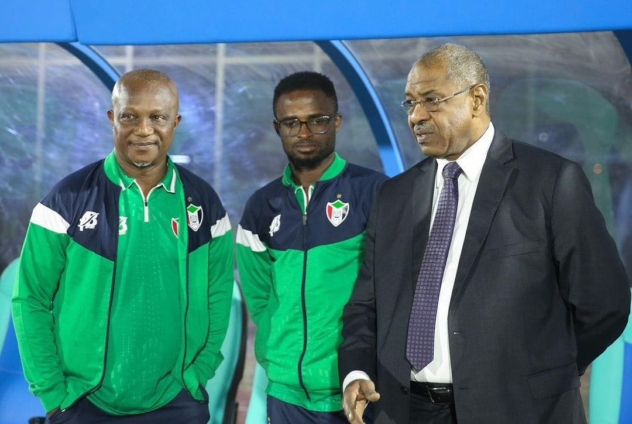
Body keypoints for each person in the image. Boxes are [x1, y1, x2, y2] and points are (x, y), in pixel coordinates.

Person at [338, 43, 631, 424]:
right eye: (410, 103)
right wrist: (357, 371)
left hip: (521, 411)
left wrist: (546, 370)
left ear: (477, 98)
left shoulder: (551, 182)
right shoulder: (394, 196)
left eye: (431, 100)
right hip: (405, 410)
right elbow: (366, 305)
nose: (416, 116)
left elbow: (604, 303)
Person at [12, 69, 234, 424]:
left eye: (157, 117)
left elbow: (218, 294)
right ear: (112, 118)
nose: (144, 130)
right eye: (130, 116)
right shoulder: (66, 200)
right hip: (83, 402)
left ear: (175, 122)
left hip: (176, 401)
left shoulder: (204, 204)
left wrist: (198, 372)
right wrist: (53, 394)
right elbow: (30, 299)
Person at [236, 71, 387, 423]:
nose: (303, 133)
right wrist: (277, 351)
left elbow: (391, 292)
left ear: (336, 122)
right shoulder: (261, 207)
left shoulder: (374, 192)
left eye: (316, 121)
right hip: (285, 395)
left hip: (359, 389)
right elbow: (260, 299)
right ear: (277, 128)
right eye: (291, 123)